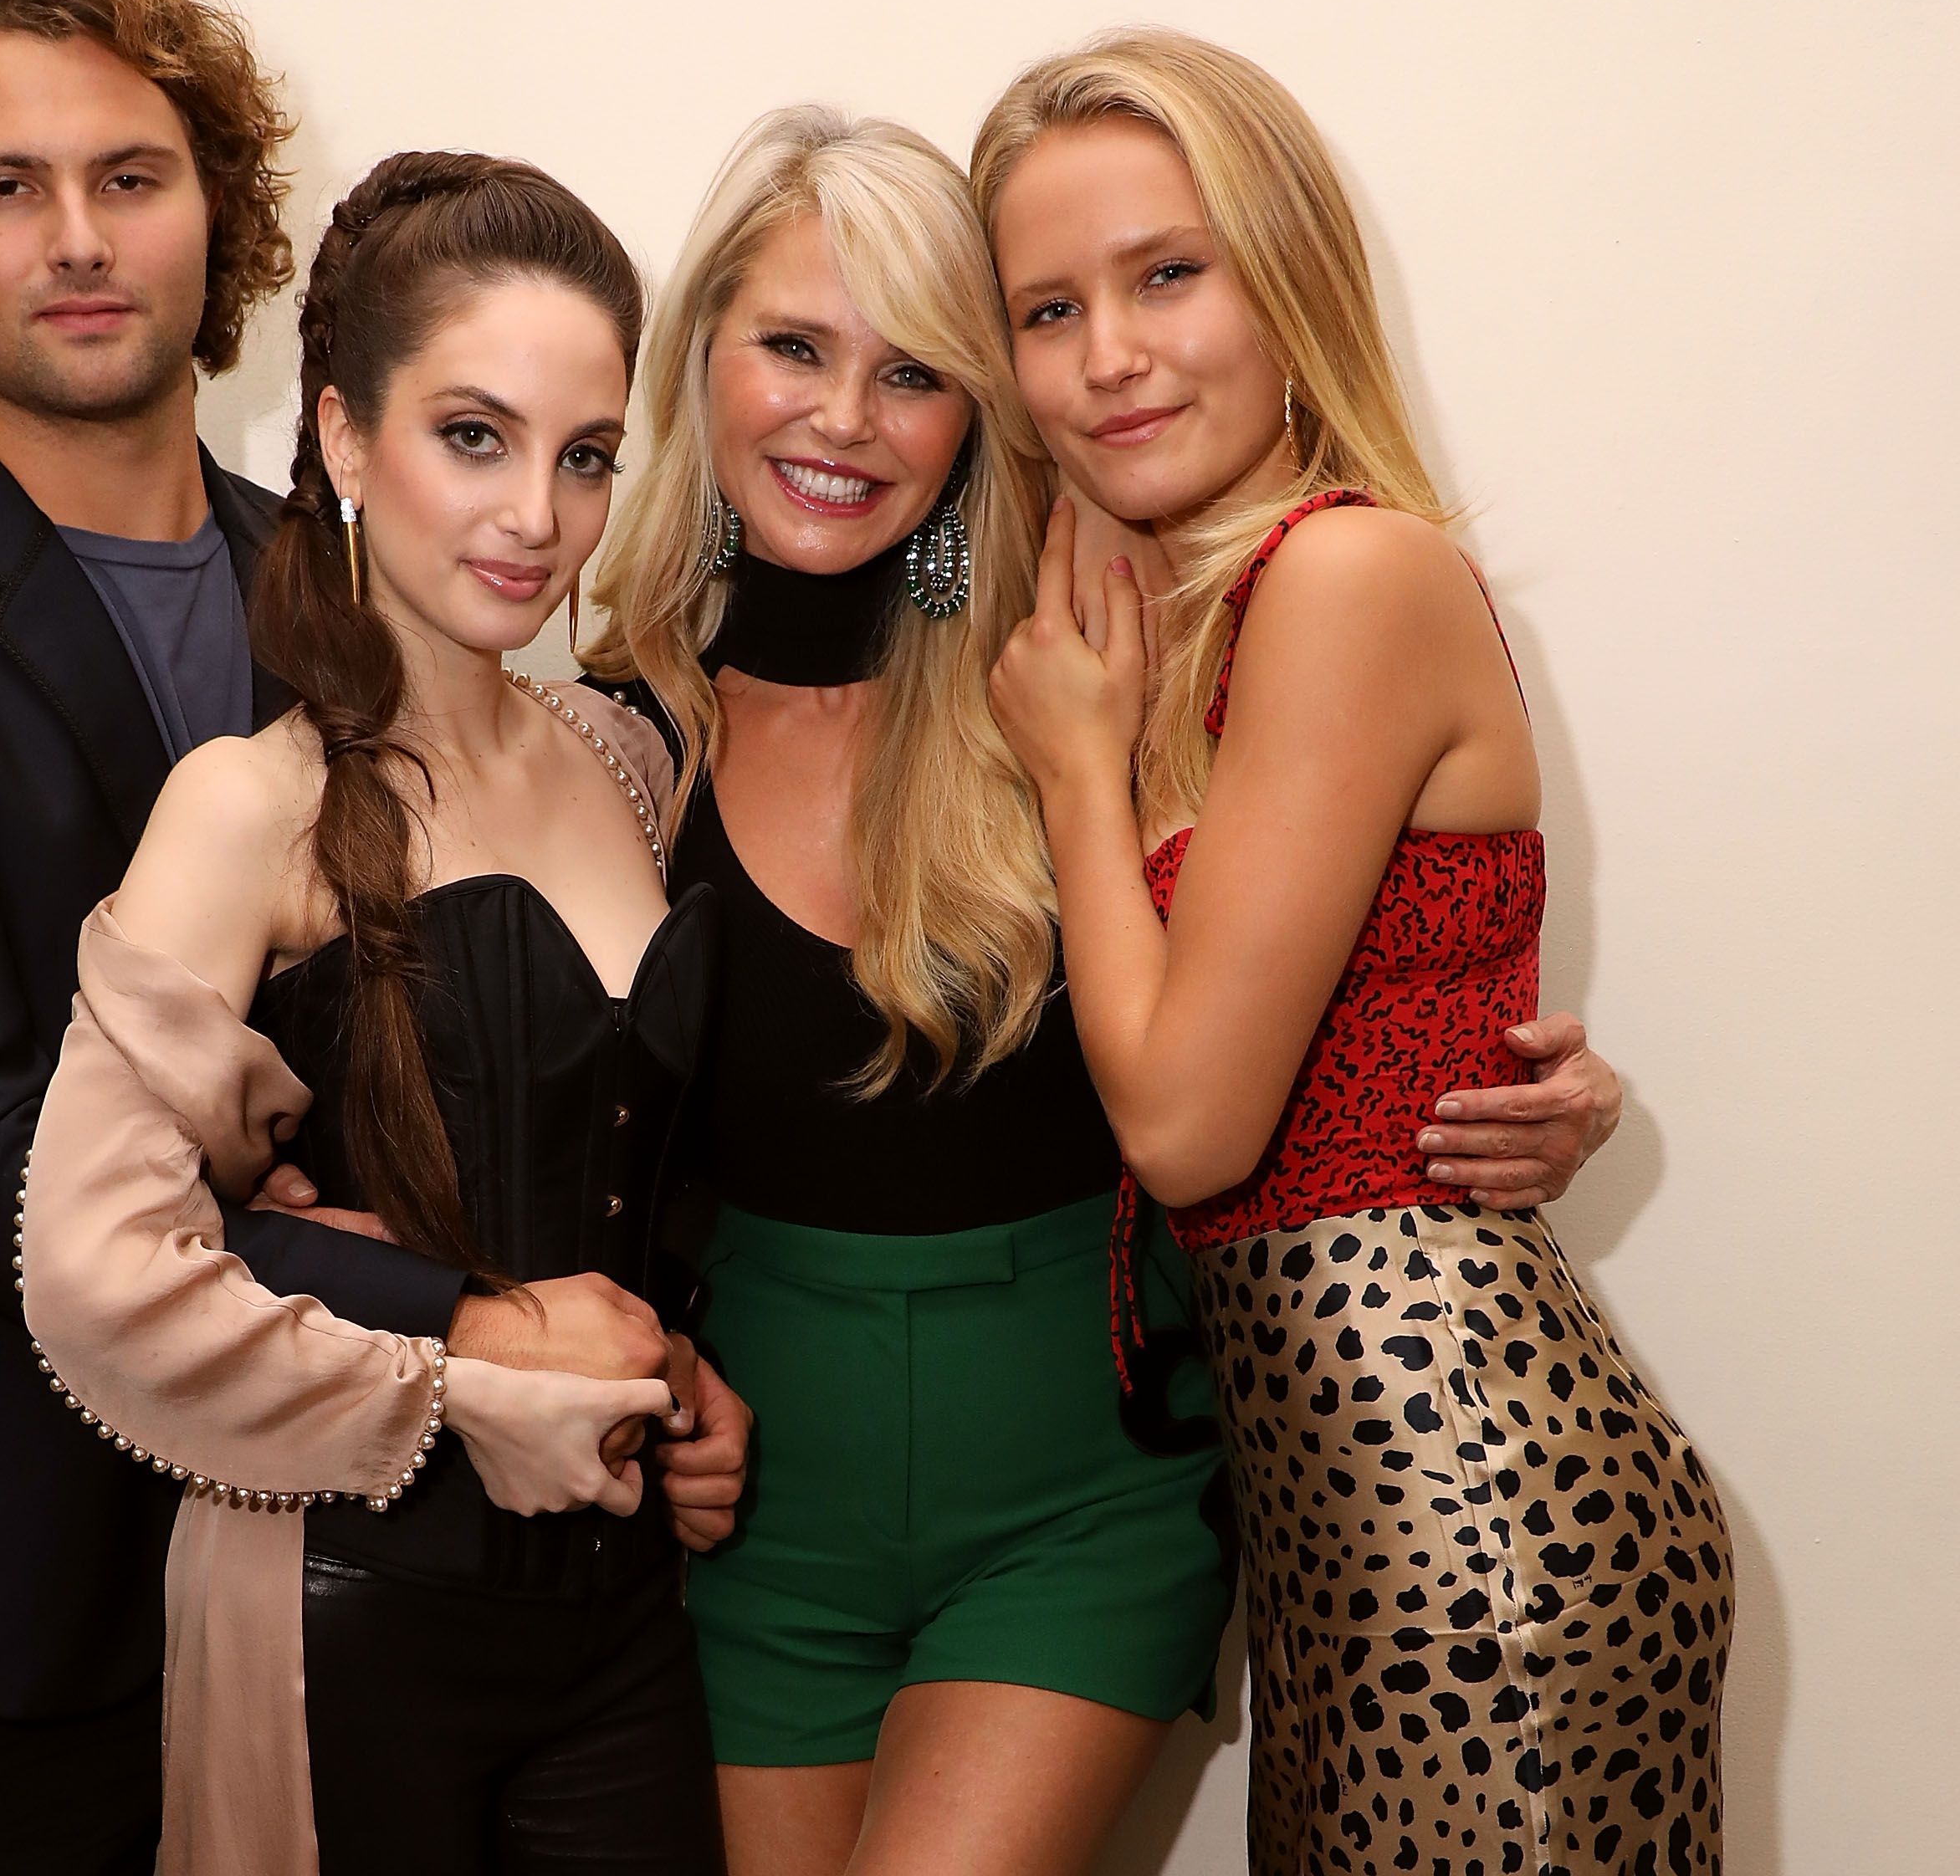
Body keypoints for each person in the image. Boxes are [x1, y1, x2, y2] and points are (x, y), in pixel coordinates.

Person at [0, 0, 737, 1873]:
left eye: (131, 174)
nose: (78, 237)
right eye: (5, 185)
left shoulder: (386, 582)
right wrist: (461, 1313)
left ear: (219, 211)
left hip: (426, 1561)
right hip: (36, 1574)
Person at [577, 106, 1630, 1876]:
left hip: (1086, 1485)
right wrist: (638, 1340)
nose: (844, 419)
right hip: (757, 1510)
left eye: (915, 369)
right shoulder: (612, 733)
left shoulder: (1078, 663)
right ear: (701, 364)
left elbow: (1297, 971)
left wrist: (1521, 1084)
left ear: (976, 411)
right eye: (791, 349)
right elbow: (548, 1130)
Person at [975, 29, 1732, 1875]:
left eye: (1170, 272)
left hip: (1474, 1523)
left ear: (1289, 269)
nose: (1112, 355)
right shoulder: (1173, 610)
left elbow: (1186, 1128)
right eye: (1048, 309)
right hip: (1345, 1536)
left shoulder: (1342, 581)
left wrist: (1076, 773)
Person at [18, 150, 735, 1875]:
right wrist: (471, 1382)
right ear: (345, 439)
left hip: (628, 1620)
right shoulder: (243, 805)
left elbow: (619, 1172)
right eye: (471, 437)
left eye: (583, 458)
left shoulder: (631, 758)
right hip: (341, 1617)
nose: (534, 518)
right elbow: (95, 1274)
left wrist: (685, 1375)